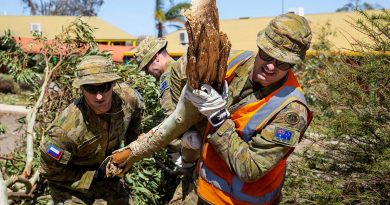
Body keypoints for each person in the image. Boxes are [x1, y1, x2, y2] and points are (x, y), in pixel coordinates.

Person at [109, 13, 312, 205]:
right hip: (202, 188)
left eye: (283, 63)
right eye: (267, 55)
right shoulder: (234, 61)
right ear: (260, 46)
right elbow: (185, 64)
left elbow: (251, 168)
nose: (271, 66)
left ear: (294, 64)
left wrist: (219, 119)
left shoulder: (291, 111)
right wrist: (187, 129)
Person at [39, 55, 144, 205]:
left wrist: (130, 152)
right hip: (70, 188)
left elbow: (136, 117)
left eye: (104, 86)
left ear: (113, 83)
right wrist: (92, 176)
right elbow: (50, 172)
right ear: (81, 88)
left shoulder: (128, 99)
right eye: (91, 88)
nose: (99, 96)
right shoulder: (63, 132)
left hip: (108, 179)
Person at [133, 37, 202, 204]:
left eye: (147, 66)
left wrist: (180, 155)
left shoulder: (169, 77)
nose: (146, 73)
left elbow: (173, 122)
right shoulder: (183, 67)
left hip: (196, 155)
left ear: (157, 56)